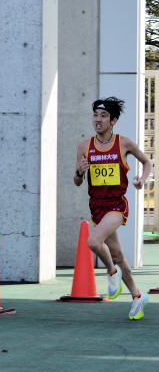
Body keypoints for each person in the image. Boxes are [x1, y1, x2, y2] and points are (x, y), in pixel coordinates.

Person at [74, 97, 152, 320]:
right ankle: (137, 296)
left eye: (103, 116)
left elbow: (147, 162)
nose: (97, 120)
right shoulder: (84, 146)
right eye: (95, 115)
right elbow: (77, 181)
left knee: (93, 242)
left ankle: (111, 271)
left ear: (113, 120)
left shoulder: (124, 143)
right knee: (117, 254)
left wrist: (142, 179)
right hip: (96, 207)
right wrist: (79, 171)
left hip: (117, 205)